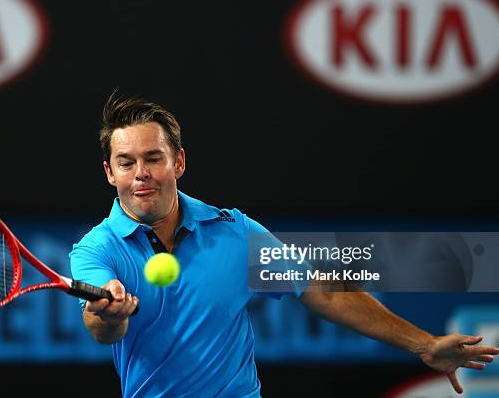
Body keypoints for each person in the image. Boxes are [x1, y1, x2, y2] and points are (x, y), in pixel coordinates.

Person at [69, 93, 498, 397]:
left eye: (153, 158)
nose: (140, 172)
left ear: (178, 162)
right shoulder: (95, 250)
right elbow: (102, 327)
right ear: (111, 173)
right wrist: (111, 311)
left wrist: (424, 344)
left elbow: (321, 291)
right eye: (127, 163)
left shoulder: (233, 232)